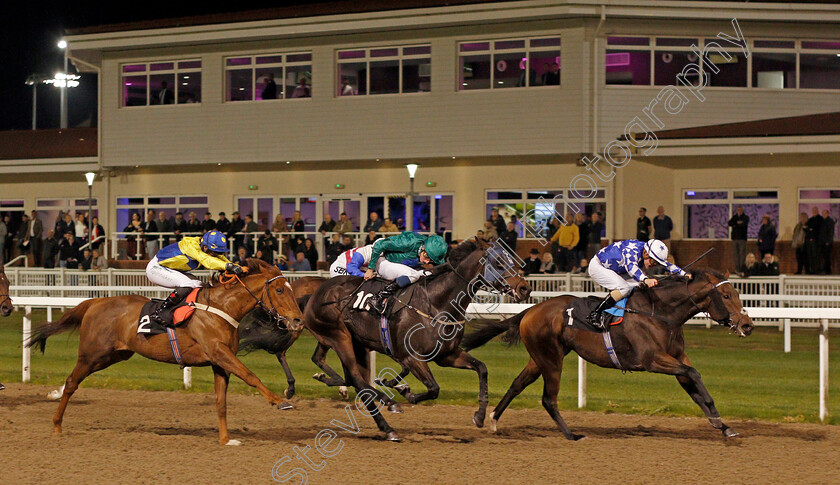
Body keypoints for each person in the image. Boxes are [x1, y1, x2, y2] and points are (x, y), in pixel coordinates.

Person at [587, 239, 690, 329]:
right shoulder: (632, 251)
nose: (653, 265)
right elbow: (631, 268)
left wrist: (684, 274)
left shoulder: (647, 250)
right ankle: (596, 314)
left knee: (640, 285)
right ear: (646, 254)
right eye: (653, 262)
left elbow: (668, 266)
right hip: (598, 266)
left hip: (617, 270)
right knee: (624, 288)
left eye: (656, 264)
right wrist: (646, 279)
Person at [146, 230, 240, 326]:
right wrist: (227, 266)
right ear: (205, 247)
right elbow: (207, 261)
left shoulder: (205, 247)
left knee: (200, 285)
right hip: (156, 268)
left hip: (172, 269)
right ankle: (161, 312)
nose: (215, 255)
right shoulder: (191, 246)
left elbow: (220, 259)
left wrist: (235, 266)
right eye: (214, 253)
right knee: (188, 284)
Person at [364, 232, 448, 314]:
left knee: (428, 274)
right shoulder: (409, 242)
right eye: (426, 256)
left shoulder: (430, 250)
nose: (426, 261)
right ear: (423, 247)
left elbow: (441, 267)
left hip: (398, 263)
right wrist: (370, 269)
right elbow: (379, 244)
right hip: (383, 260)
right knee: (413, 275)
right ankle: (378, 297)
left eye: (431, 260)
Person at [728, 206, 749, 274]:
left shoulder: (745, 217)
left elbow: (743, 224)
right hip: (735, 238)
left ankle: (742, 268)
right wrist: (737, 223)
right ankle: (737, 269)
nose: (739, 211)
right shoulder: (735, 217)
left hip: (742, 238)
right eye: (738, 210)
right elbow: (729, 223)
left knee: (742, 254)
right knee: (736, 255)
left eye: (740, 210)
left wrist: (736, 224)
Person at [805, 207, 823, 274]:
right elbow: (806, 228)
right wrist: (810, 229)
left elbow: (817, 230)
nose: (814, 211)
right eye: (813, 210)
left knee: (815, 255)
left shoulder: (820, 219)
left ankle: (817, 269)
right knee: (810, 255)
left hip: (816, 241)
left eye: (815, 210)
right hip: (809, 240)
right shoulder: (810, 219)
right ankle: (812, 269)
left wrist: (810, 229)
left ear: (818, 211)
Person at [820, 209, 835, 274]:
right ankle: (825, 269)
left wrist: (828, 241)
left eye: (824, 213)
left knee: (827, 256)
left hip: (827, 243)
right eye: (822, 213)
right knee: (824, 256)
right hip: (823, 242)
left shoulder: (830, 221)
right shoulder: (823, 221)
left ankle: (828, 270)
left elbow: (831, 232)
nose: (823, 215)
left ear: (827, 214)